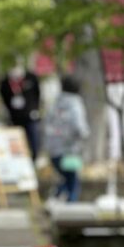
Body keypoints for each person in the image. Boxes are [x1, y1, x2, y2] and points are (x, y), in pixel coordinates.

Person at [45, 74, 90, 202]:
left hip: (54, 149)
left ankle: (55, 198)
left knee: (64, 178)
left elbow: (47, 124)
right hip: (70, 150)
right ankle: (70, 206)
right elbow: (80, 128)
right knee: (72, 180)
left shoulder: (54, 104)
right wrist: (84, 135)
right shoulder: (75, 104)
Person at [0, 62, 42, 160]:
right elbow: (4, 98)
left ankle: (34, 158)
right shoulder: (5, 82)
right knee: (17, 142)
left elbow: (38, 94)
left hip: (31, 115)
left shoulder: (31, 78)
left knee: (33, 139)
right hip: (15, 117)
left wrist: (36, 108)